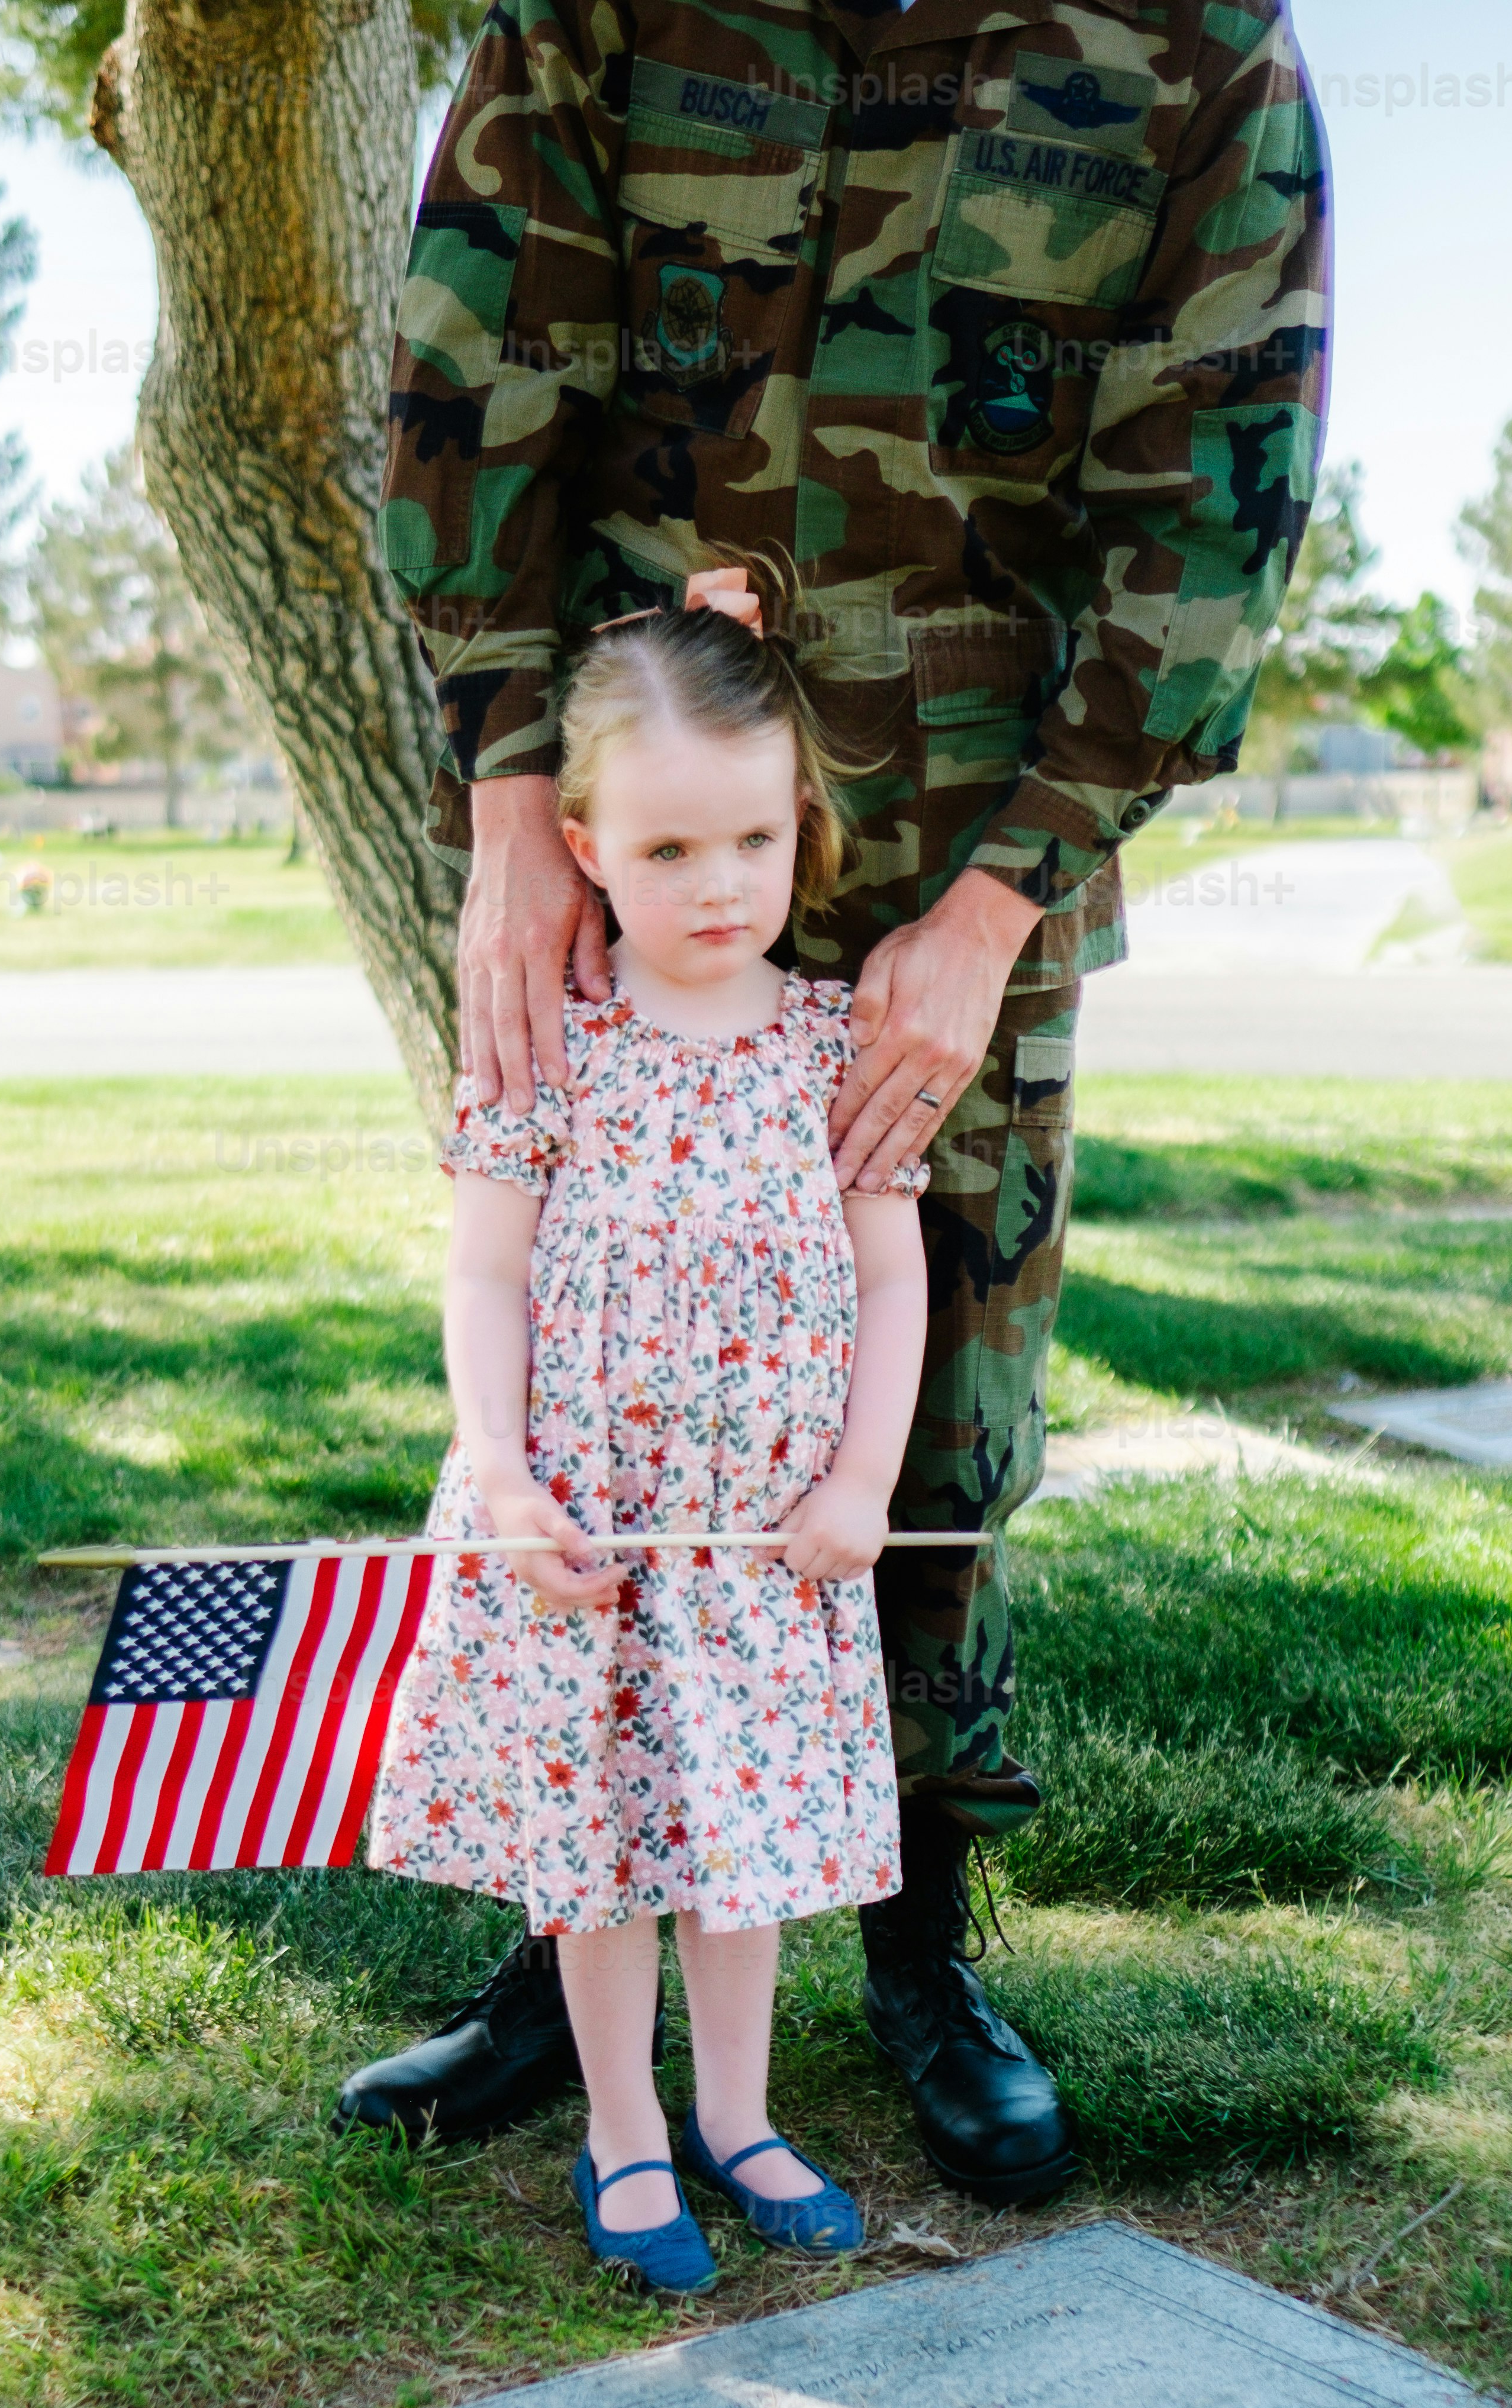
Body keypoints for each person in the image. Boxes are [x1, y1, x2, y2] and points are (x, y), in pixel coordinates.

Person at [341, 0, 1332, 2203]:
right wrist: (517, 791)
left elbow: (1215, 492)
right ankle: (568, 1940)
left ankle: (913, 1940)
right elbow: (480, 361)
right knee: (599, 1369)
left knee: (932, 1404)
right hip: (645, 790)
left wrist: (1001, 903)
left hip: (966, 827)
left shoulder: (1185, 45)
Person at [361, 595, 931, 2297]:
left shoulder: (833, 1047)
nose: (720, 886)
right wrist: (500, 1472)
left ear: (801, 829)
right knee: (603, 1846)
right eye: (671, 845)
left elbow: (894, 1280)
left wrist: (860, 1484)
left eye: (754, 838)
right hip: (591, 1536)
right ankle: (623, 2125)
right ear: (586, 842)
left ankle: (738, 2114)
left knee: (738, 1849)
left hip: (762, 1536)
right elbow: (486, 1266)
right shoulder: (550, 1040)